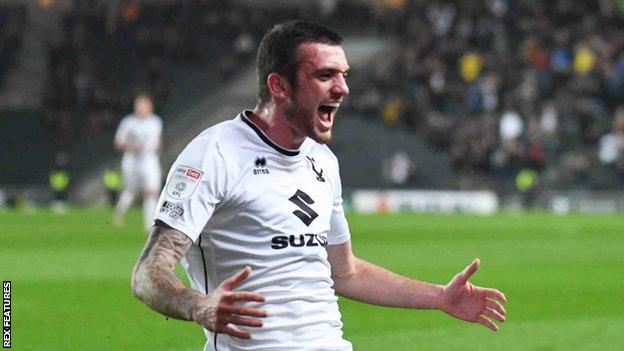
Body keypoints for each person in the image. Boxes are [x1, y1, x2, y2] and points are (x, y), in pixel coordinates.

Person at [131, 21, 507, 351]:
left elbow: (345, 272)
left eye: (344, 75)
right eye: (325, 75)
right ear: (279, 86)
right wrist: (198, 306)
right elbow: (148, 273)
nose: (342, 88)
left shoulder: (322, 161)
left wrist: (440, 297)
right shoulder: (214, 154)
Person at [113, 93, 163, 231]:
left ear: (150, 106)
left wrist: (157, 146)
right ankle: (119, 212)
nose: (140, 108)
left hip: (149, 160)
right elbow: (118, 143)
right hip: (131, 160)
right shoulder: (128, 122)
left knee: (151, 191)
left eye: (143, 105)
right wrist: (132, 147)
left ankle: (149, 225)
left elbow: (158, 140)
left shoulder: (156, 121)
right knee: (132, 191)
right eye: (138, 105)